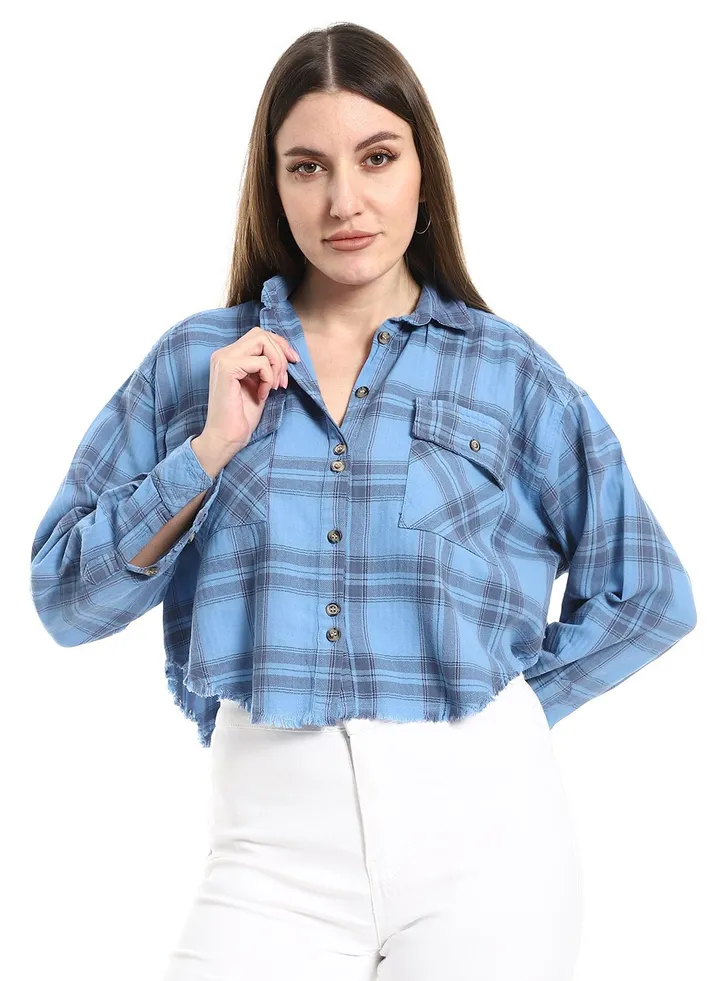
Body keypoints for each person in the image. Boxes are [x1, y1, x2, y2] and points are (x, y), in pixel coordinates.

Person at [30, 22, 697, 981]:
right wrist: (208, 450)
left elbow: (650, 592)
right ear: (273, 185)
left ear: (423, 172)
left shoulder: (509, 372)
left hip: (491, 845)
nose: (344, 200)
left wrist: (503, 712)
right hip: (268, 852)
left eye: (376, 158)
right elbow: (65, 599)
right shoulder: (197, 363)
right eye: (307, 167)